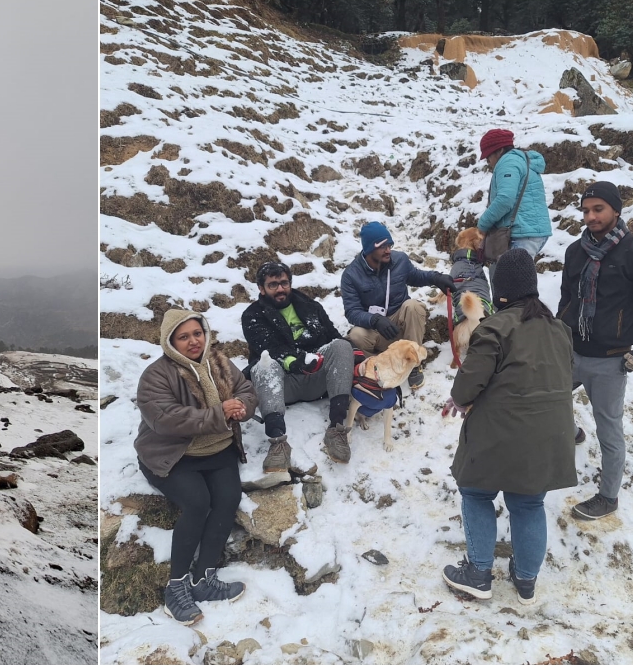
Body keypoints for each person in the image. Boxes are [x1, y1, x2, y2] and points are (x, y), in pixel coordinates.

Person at [440, 248, 576, 604]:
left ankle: (479, 572)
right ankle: (526, 580)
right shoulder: (559, 329)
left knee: (475, 492)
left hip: (499, 431)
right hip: (551, 435)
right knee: (529, 503)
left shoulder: (494, 329)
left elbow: (467, 386)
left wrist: (459, 400)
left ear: (500, 292)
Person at [135, 309, 258, 625]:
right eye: (184, 337)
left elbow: (245, 388)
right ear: (170, 342)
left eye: (197, 333)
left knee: (227, 500)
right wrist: (219, 414)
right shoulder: (156, 375)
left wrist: (243, 407)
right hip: (174, 455)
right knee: (198, 502)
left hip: (218, 451)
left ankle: (204, 579)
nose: (193, 341)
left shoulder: (219, 362)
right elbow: (164, 419)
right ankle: (175, 587)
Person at [558, 181, 633, 520]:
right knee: (547, 398)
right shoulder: (575, 251)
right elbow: (567, 298)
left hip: (609, 360)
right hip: (572, 350)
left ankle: (608, 497)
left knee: (609, 429)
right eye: (586, 210)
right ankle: (572, 434)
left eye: (598, 209)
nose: (590, 216)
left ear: (616, 210)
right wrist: (557, 332)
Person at [242, 262, 356, 465]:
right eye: (273, 285)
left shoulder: (311, 307)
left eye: (284, 283)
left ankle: (337, 429)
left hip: (316, 379)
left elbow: (333, 337)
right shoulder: (252, 315)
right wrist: (294, 362)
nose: (280, 289)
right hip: (281, 386)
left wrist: (360, 359)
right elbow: (269, 348)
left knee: (341, 346)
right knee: (264, 364)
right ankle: (278, 442)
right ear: (261, 288)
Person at [341, 221, 456, 388]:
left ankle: (414, 363)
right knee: (356, 336)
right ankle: (380, 362)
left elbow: (417, 276)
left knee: (413, 306)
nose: (388, 250)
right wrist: (375, 320)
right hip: (375, 329)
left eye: (389, 244)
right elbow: (352, 311)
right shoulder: (351, 275)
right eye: (382, 246)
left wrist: (436, 278)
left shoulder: (399, 260)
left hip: (399, 324)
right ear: (368, 249)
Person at [477, 129, 552, 260]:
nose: (488, 161)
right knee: (515, 276)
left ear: (499, 150)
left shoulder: (508, 163)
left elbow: (505, 199)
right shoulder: (521, 161)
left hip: (522, 233)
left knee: (515, 278)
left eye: (488, 156)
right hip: (530, 230)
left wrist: (482, 225)